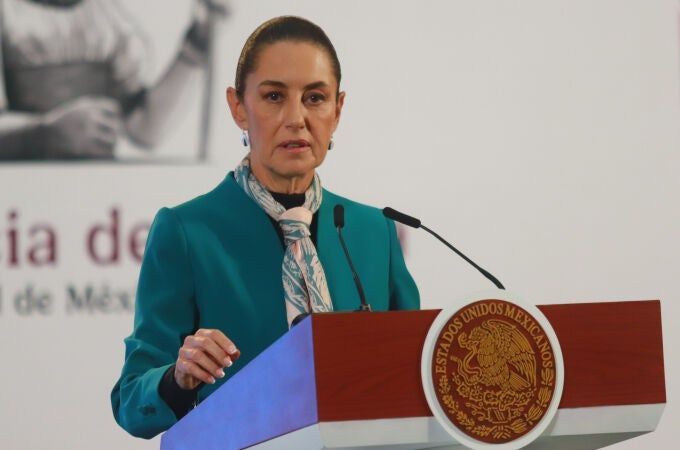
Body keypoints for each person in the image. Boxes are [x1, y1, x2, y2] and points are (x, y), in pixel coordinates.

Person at [111, 15, 419, 439]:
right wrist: (176, 378)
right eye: (274, 96)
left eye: (315, 98)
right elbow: (131, 402)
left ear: (338, 109)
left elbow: (416, 376)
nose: (296, 118)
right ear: (238, 107)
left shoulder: (373, 231)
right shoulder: (186, 231)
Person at [0, 0, 226, 160]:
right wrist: (45, 133)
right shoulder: (8, 14)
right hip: (21, 197)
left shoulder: (108, 21)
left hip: (94, 199)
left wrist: (196, 45)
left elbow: (144, 130)